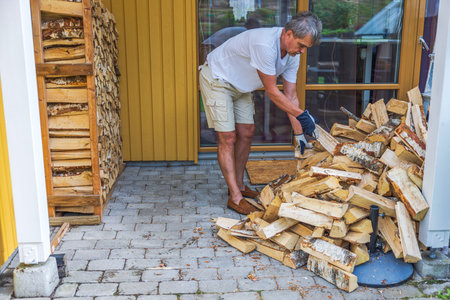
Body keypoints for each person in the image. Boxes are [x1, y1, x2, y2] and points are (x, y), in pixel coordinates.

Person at [199, 12, 322, 215]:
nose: (302, 51)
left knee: (247, 132)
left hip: (241, 86)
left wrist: (299, 134)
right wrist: (303, 116)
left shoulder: (292, 55)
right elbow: (273, 92)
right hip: (218, 79)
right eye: (301, 45)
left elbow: (290, 96)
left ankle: (239, 185)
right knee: (227, 137)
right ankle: (235, 197)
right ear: (288, 34)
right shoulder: (265, 45)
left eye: (305, 48)